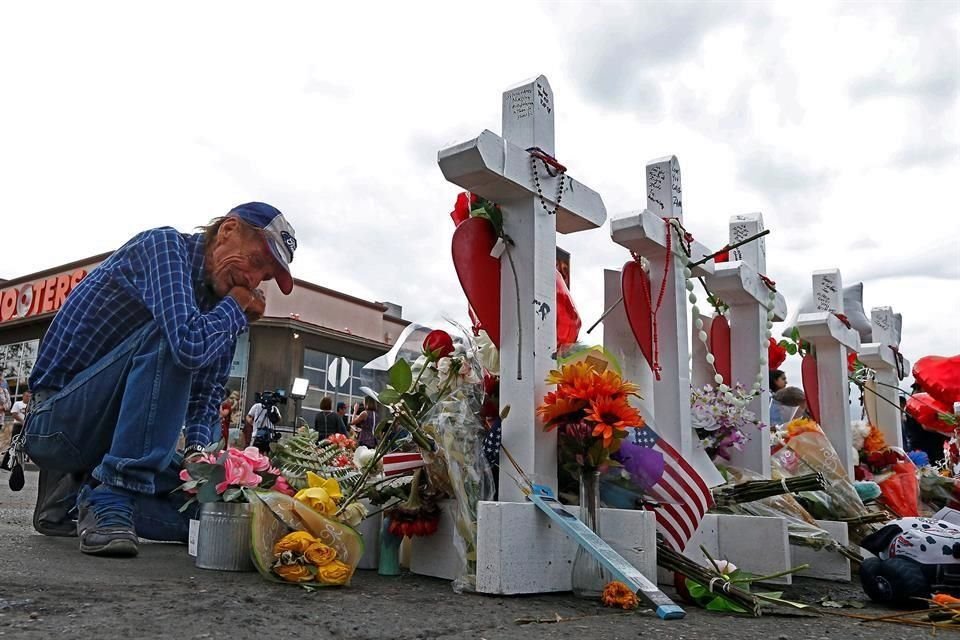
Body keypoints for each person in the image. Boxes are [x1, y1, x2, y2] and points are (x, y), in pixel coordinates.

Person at [19, 202, 297, 557]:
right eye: (256, 262)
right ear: (227, 230)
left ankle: (75, 500)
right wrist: (237, 307)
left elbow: (206, 397)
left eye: (264, 279)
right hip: (57, 424)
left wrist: (200, 464)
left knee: (208, 514)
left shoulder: (221, 302)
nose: (253, 281)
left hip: (113, 439)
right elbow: (186, 346)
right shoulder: (165, 248)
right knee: (172, 335)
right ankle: (113, 492)